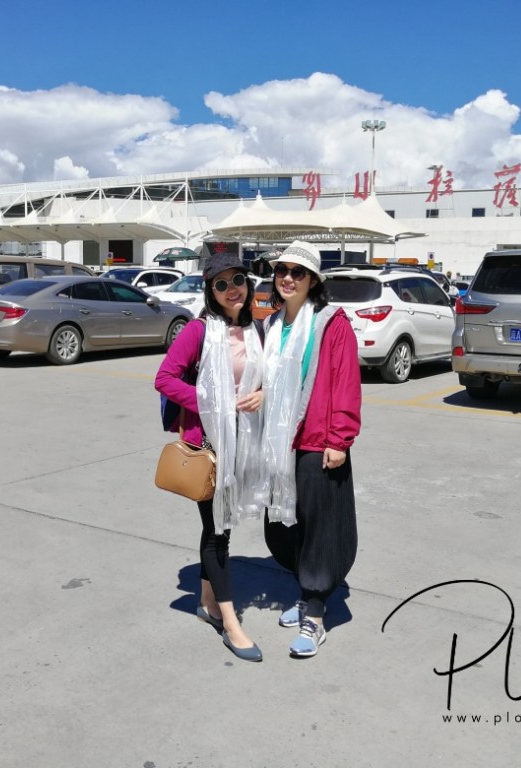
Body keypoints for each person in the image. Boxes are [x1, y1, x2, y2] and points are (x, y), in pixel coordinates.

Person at [154, 252, 267, 663]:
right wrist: (211, 402)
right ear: (211, 292)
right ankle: (231, 623)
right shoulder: (199, 330)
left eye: (238, 280)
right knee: (217, 530)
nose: (232, 289)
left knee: (222, 527)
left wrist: (264, 393)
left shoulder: (256, 330)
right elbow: (164, 378)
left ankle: (205, 601)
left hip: (244, 442)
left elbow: (269, 378)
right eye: (221, 284)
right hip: (210, 444)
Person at [260, 241, 362, 658]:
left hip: (318, 440)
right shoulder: (272, 324)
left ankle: (316, 614)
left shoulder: (331, 323)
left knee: (319, 528)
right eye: (282, 270)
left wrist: (340, 438)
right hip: (279, 440)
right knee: (288, 525)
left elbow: (345, 380)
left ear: (314, 280)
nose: (287, 278)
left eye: (297, 272)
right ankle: (305, 593)